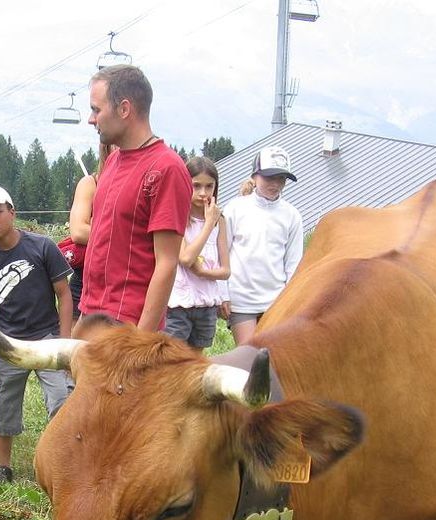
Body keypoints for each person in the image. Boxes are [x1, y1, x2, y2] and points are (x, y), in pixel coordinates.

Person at [0, 185, 73, 490]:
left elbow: (64, 296)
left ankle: (64, 462)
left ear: (12, 212)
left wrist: (65, 345)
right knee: (4, 406)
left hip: (47, 341)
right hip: (8, 346)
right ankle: (3, 468)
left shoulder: (43, 247)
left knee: (61, 402)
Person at [78, 64, 192, 331]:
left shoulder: (167, 168)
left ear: (124, 109)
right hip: (91, 319)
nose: (91, 119)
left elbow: (167, 262)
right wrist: (83, 320)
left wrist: (140, 343)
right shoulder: (114, 160)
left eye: (96, 109)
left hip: (127, 328)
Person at [222, 146, 304, 346]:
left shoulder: (291, 215)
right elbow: (221, 254)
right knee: (248, 359)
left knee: (272, 360)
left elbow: (293, 263)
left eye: (281, 179)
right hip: (241, 300)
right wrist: (223, 294)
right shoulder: (235, 208)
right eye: (269, 178)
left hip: (276, 302)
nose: (275, 184)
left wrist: (289, 301)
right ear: (255, 176)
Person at [165, 156, 230, 350]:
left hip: (206, 304)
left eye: (209, 186)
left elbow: (226, 270)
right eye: (196, 186)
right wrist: (208, 225)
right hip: (178, 304)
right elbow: (185, 258)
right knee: (171, 360)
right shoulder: (179, 217)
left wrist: (202, 272)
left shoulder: (221, 221)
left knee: (196, 362)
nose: (203, 193)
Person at [66, 143, 113, 318]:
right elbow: (78, 231)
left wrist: (95, 226)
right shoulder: (90, 183)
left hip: (126, 284)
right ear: (106, 149)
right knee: (78, 342)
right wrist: (123, 233)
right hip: (87, 279)